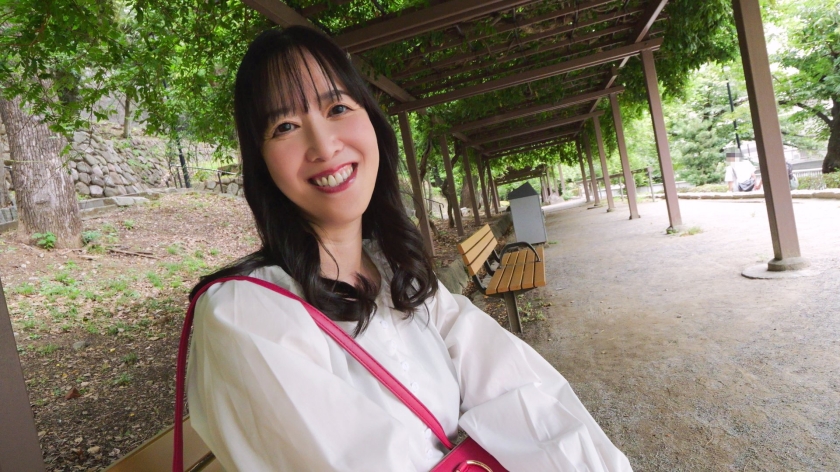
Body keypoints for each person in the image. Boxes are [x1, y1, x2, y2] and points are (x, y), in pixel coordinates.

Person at [186, 26, 632, 471]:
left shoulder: (393, 273)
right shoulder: (248, 313)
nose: (323, 146)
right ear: (261, 162)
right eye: (285, 126)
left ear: (372, 123)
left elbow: (522, 390)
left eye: (337, 107)